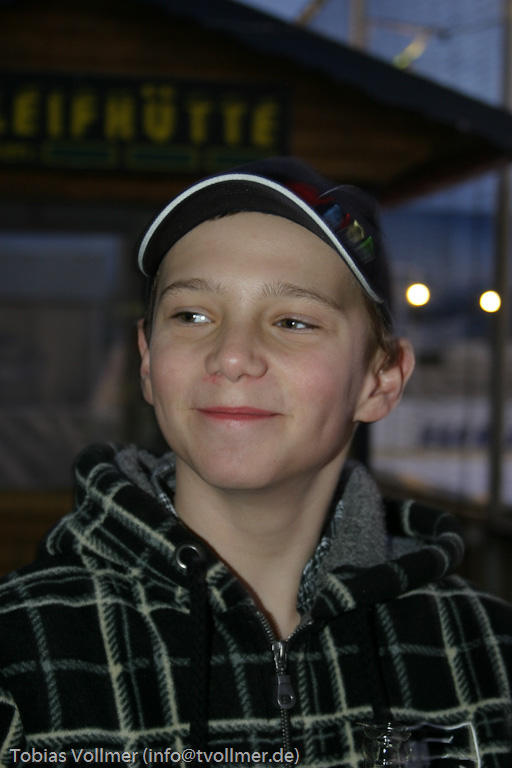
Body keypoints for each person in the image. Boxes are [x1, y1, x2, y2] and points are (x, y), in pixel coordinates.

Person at [0, 157, 510, 768]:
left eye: (293, 321)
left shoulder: (488, 656)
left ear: (381, 380)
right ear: (147, 360)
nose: (233, 356)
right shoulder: (20, 654)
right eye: (192, 315)